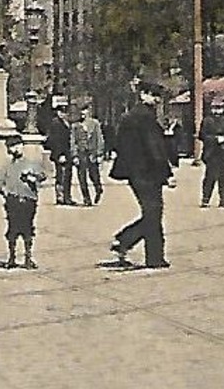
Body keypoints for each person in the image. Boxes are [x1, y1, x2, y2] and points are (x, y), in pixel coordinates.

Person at [109, 81, 173, 269]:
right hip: (149, 173)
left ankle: (128, 242)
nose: (157, 100)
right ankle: (150, 255)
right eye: (154, 96)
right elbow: (154, 148)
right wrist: (167, 173)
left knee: (151, 212)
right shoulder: (145, 118)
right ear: (143, 94)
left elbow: (119, 143)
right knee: (154, 213)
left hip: (133, 173)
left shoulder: (128, 117)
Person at [0, 134, 47, 269]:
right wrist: (3, 190)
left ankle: (28, 258)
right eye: (11, 147)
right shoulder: (7, 165)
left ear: (22, 146)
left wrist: (33, 177)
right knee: (12, 228)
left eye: (16, 146)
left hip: (28, 199)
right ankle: (11, 257)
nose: (14, 149)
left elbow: (43, 176)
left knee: (28, 228)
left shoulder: (31, 162)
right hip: (12, 201)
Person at [198, 99, 224, 208]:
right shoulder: (207, 120)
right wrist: (215, 139)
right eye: (215, 108)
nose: (218, 111)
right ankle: (205, 199)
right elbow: (202, 136)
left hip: (223, 152)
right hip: (211, 153)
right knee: (210, 177)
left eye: (220, 108)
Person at [44, 104, 75, 205]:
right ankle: (61, 197)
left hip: (66, 153)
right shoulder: (56, 123)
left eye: (64, 112)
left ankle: (66, 196)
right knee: (61, 176)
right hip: (60, 153)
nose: (63, 114)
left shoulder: (66, 123)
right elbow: (56, 141)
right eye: (61, 112)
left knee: (67, 176)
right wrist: (59, 154)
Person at [72, 109, 105, 206]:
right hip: (81, 153)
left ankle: (98, 188)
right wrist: (74, 156)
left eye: (85, 113)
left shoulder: (95, 124)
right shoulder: (75, 126)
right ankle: (86, 198)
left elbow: (99, 138)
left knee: (94, 175)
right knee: (82, 177)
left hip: (92, 153)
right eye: (81, 113)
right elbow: (73, 141)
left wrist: (99, 153)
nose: (83, 115)